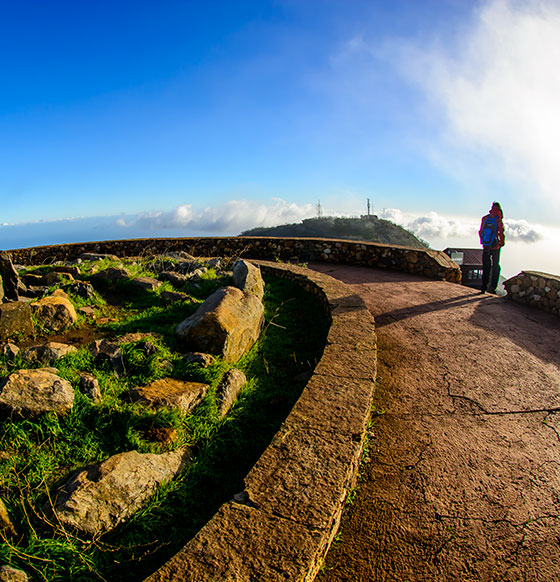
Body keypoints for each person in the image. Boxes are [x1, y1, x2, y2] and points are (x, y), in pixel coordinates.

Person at [479, 202, 505, 294]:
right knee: (495, 266)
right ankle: (493, 287)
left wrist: (484, 242)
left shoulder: (485, 218)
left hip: (486, 245)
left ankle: (483, 287)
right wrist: (501, 243)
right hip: (495, 247)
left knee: (486, 266)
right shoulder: (498, 220)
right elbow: (501, 232)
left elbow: (481, 231)